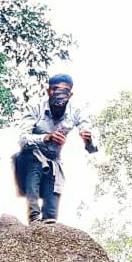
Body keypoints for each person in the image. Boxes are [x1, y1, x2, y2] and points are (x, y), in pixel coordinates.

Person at [14, 73, 98, 224]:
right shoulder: (36, 108)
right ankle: (33, 217)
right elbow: (22, 139)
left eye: (64, 91)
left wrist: (88, 141)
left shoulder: (75, 112)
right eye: (54, 90)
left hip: (54, 164)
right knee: (33, 162)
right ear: (48, 91)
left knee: (51, 216)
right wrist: (46, 137)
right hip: (32, 158)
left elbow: (91, 141)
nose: (58, 94)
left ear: (70, 94)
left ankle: (48, 230)